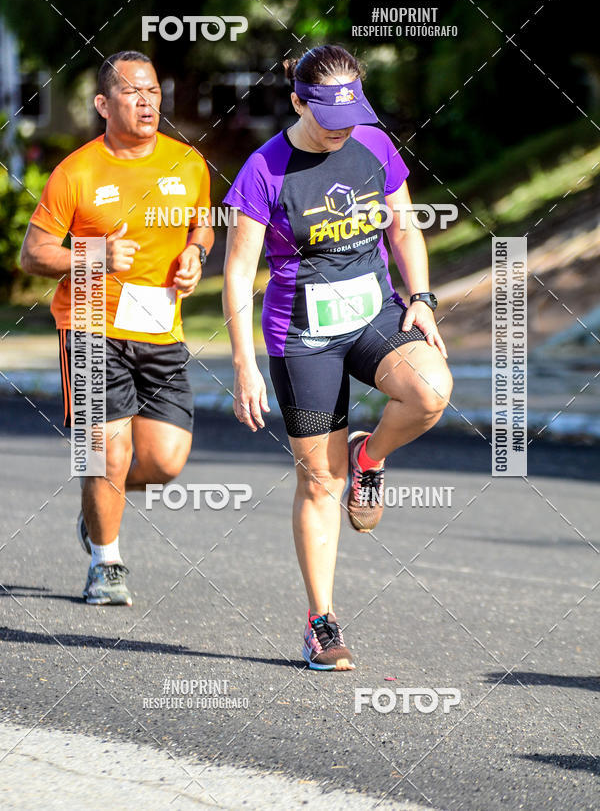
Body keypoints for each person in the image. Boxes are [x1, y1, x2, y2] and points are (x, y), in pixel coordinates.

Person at [222, 44, 452, 670]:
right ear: (297, 102)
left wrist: (423, 298)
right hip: (302, 335)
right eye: (328, 116)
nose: (343, 128)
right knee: (318, 483)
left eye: (352, 113)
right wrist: (244, 364)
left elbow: (404, 228)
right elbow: (239, 273)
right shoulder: (265, 169)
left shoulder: (375, 147)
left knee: (430, 392)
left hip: (375, 311)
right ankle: (321, 623)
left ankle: (369, 457)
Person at [20, 51, 213, 607]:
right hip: (88, 323)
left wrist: (197, 254)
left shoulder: (188, 163)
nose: (146, 100)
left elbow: (203, 224)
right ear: (104, 104)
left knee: (164, 462)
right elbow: (35, 254)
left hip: (159, 327)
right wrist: (95, 254)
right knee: (107, 449)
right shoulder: (77, 171)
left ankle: (96, 508)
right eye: (131, 91)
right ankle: (106, 561)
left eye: (152, 90)